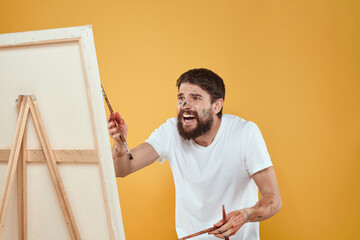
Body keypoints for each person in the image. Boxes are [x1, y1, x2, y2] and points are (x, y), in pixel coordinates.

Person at [107, 68, 282, 239]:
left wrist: (245, 215)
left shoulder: (245, 133)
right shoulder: (170, 131)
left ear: (216, 105)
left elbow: (273, 198)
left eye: (195, 98)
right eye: (181, 98)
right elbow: (122, 169)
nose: (185, 106)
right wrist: (120, 146)